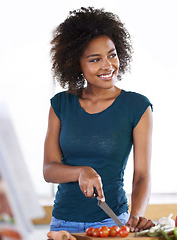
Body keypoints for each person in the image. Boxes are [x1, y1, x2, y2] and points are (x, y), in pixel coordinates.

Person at [43, 7, 154, 234]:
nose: (107, 66)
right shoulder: (60, 105)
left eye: (112, 55)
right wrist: (81, 171)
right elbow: (49, 169)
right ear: (76, 64)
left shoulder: (137, 107)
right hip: (62, 224)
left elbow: (142, 175)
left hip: (112, 223)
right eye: (95, 59)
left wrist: (136, 216)